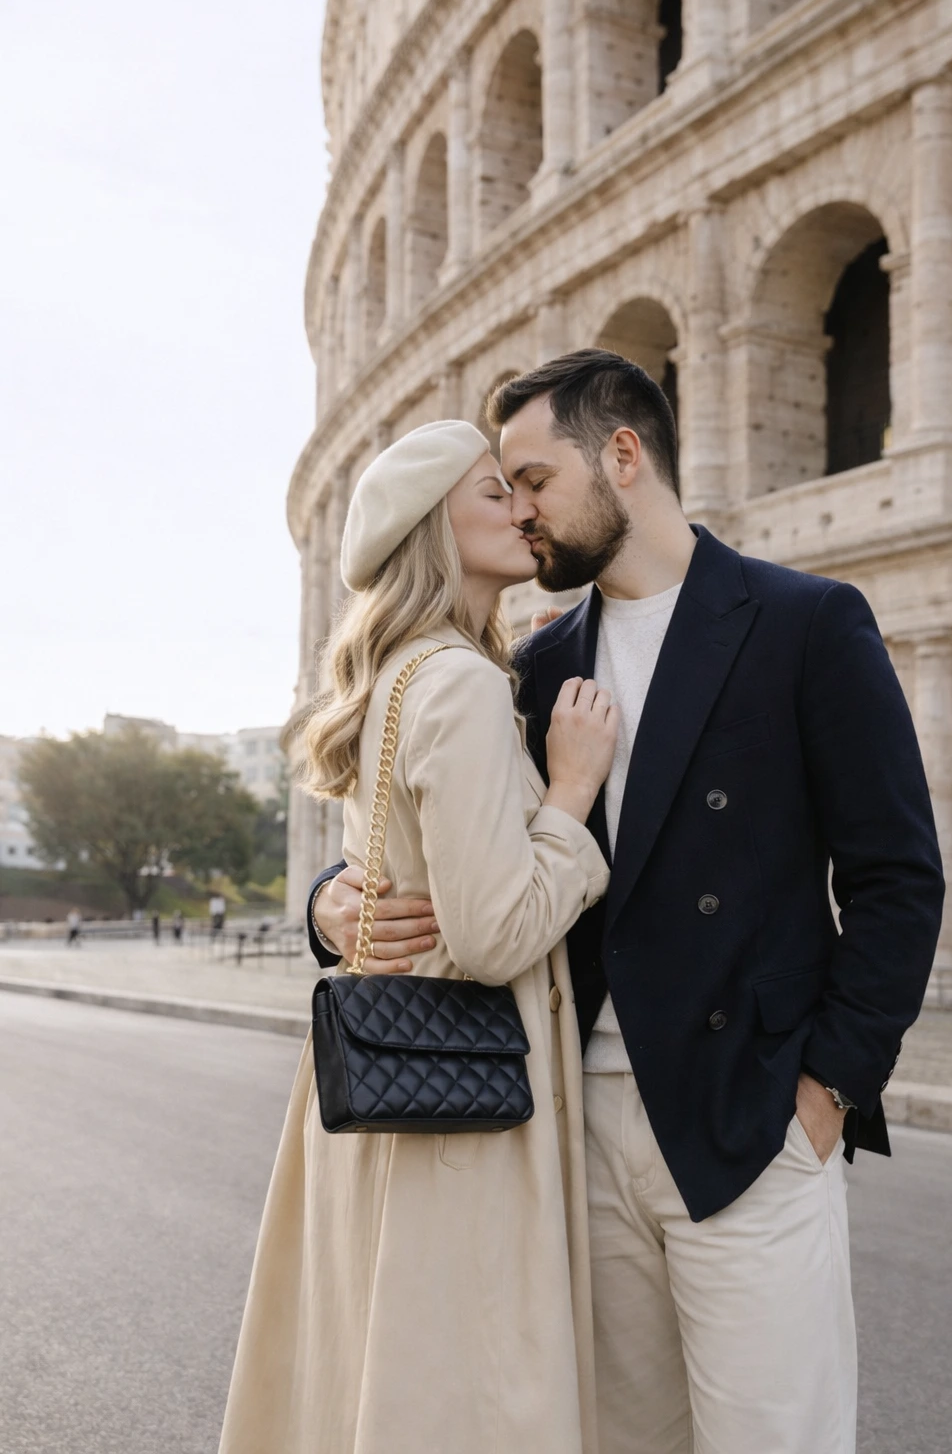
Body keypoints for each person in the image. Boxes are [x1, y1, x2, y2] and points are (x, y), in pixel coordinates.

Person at [311, 351, 944, 1454]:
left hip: (747, 1117)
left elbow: (896, 874)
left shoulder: (803, 622)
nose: (522, 512)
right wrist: (326, 904)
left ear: (622, 456)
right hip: (561, 1123)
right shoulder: (531, 664)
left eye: (534, 479)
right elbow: (421, 830)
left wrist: (829, 1088)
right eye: (501, 490)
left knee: (774, 1438)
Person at [219, 420, 618, 1454]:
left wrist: (325, 906)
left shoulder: (397, 676)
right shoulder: (464, 685)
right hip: (465, 1102)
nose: (524, 508)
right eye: (495, 492)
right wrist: (570, 799)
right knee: (469, 1385)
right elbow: (493, 938)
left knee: (381, 1370)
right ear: (436, 527)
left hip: (384, 1080)